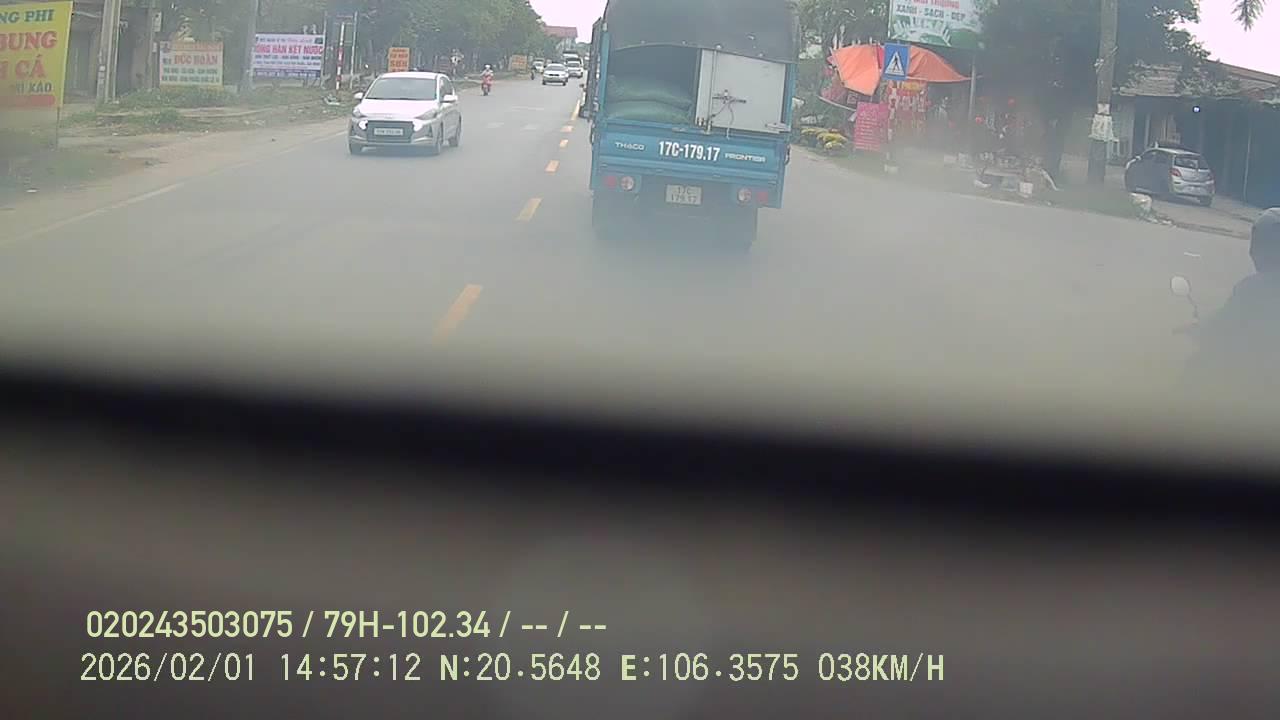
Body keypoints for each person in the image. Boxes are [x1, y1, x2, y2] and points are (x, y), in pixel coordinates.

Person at [1185, 208, 1280, 390]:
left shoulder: (1252, 287)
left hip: (1257, 377)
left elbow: (1225, 323)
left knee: (1196, 372)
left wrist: (1203, 329)